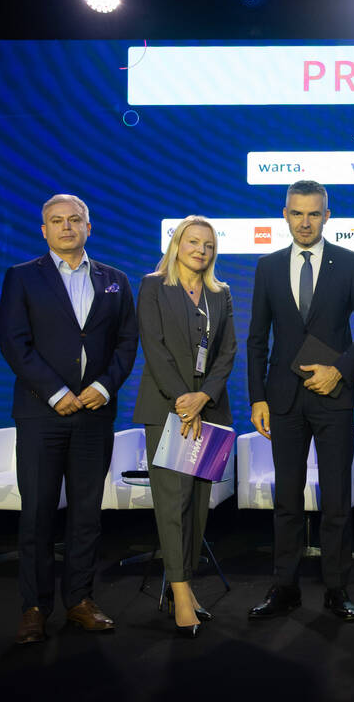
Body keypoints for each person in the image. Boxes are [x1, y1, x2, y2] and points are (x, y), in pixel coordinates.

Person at [0, 193, 138, 645]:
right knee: (37, 513)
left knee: (86, 515)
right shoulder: (22, 277)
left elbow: (127, 343)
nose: (66, 227)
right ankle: (35, 608)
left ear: (88, 227)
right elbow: (13, 342)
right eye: (56, 221)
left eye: (74, 219)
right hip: (41, 414)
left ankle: (79, 600)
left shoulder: (115, 280)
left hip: (95, 414)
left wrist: (104, 387)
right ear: (44, 230)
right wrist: (56, 393)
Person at [245, 180, 354, 621]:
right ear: (285, 215)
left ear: (327, 216)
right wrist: (257, 398)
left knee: (336, 498)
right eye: (297, 213)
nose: (305, 222)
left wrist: (339, 369)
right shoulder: (267, 266)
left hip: (334, 396)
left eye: (313, 213)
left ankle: (337, 588)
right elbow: (257, 339)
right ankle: (284, 587)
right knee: (287, 498)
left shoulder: (351, 263)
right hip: (282, 400)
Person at [132, 216, 236, 637]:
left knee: (197, 504)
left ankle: (187, 585)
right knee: (173, 502)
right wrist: (183, 400)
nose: (201, 251)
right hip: (167, 408)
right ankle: (178, 593)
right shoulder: (153, 286)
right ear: (177, 244)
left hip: (208, 410)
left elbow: (227, 352)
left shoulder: (220, 293)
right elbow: (154, 348)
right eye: (193, 242)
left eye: (208, 245)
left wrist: (203, 397)